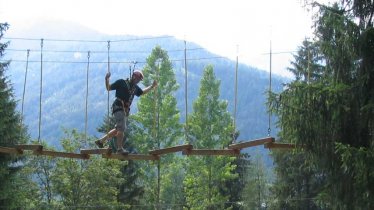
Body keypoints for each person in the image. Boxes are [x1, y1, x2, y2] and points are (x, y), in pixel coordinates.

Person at [95, 70, 157, 154]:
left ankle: (101, 141)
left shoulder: (135, 88)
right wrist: (106, 79)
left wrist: (152, 86)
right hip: (118, 106)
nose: (138, 82)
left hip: (124, 110)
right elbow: (109, 88)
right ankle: (119, 149)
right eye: (138, 79)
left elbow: (142, 92)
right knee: (122, 128)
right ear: (134, 76)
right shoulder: (121, 82)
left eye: (139, 80)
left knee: (118, 129)